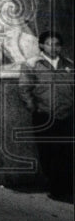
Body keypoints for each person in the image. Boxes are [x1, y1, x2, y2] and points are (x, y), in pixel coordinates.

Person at [19, 30, 74, 202]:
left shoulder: (68, 65)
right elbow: (24, 88)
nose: (55, 48)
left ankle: (67, 188)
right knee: (49, 152)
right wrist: (34, 107)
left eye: (58, 44)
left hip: (66, 115)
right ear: (42, 45)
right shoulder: (32, 65)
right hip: (44, 114)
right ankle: (55, 187)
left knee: (67, 152)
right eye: (50, 44)